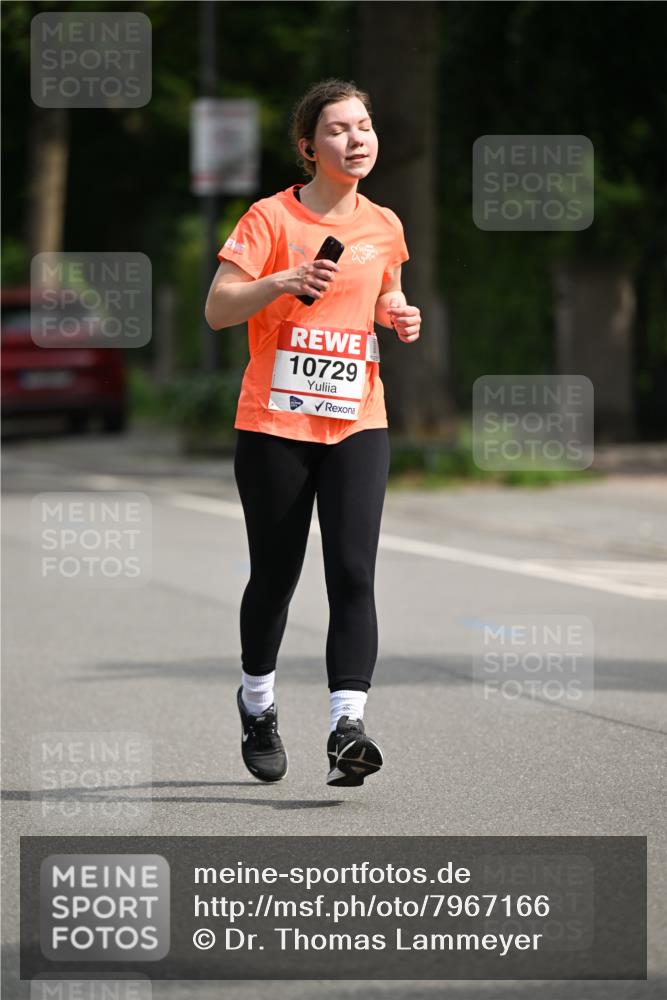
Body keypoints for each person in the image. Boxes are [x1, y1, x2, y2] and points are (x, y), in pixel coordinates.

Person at [204, 78, 421, 788]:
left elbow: (384, 292)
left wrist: (398, 313)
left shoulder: (384, 224)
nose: (356, 139)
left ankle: (346, 727)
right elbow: (217, 308)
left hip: (357, 418)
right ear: (308, 146)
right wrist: (282, 281)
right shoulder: (270, 218)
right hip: (275, 421)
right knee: (275, 576)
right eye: (338, 129)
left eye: (364, 125)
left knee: (353, 572)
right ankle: (258, 704)